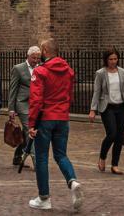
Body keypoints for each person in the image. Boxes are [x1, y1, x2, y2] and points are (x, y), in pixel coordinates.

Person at [27, 38, 82, 211]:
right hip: (62, 118)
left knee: (42, 157)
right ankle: (72, 181)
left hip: (45, 119)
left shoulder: (40, 71)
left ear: (44, 51)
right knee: (61, 155)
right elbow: (70, 95)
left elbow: (36, 100)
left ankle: (44, 198)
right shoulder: (68, 71)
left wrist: (31, 124)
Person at [89, 47, 124, 174]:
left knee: (119, 136)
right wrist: (93, 109)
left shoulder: (122, 71)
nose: (113, 61)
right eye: (111, 59)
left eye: (115, 59)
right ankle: (102, 157)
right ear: (106, 60)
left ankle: (115, 164)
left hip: (121, 106)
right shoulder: (101, 73)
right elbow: (97, 92)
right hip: (107, 107)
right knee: (111, 134)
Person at [8, 46, 41, 169]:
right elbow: (13, 89)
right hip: (22, 103)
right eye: (33, 58)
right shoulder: (18, 68)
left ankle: (17, 156)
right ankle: (35, 160)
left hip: (36, 103)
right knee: (29, 129)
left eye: (38, 58)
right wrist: (11, 108)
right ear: (28, 56)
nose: (36, 60)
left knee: (26, 131)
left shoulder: (41, 68)